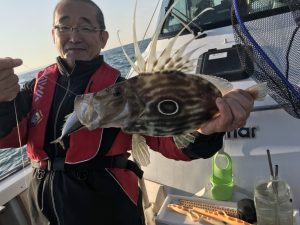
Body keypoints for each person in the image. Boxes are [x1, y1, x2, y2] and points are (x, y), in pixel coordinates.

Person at [0, 0, 254, 224]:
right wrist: (1, 101)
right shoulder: (34, 88)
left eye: (86, 27)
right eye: (64, 26)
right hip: (43, 208)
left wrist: (204, 132)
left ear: (103, 38)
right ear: (53, 35)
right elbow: (9, 137)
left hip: (108, 205)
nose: (74, 36)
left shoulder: (124, 88)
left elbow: (167, 142)